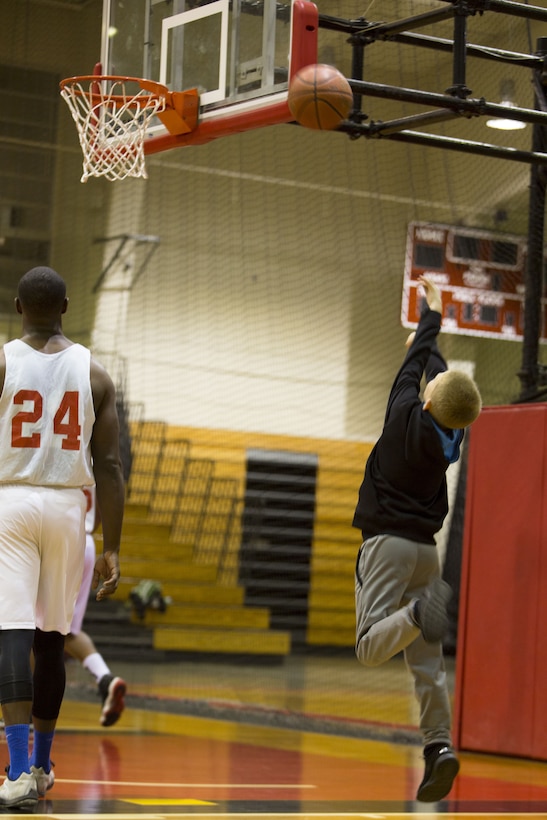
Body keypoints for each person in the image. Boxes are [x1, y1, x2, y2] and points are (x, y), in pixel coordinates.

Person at [352, 275, 482, 804]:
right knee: (427, 662)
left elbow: (418, 370)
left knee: (369, 647)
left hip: (387, 546)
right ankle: (439, 748)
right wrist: (431, 347)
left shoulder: (404, 414)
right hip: (427, 551)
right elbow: (446, 386)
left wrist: (429, 316)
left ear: (424, 399)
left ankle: (415, 613)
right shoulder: (454, 432)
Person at [0, 266, 125, 809]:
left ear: (18, 305)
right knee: (51, 639)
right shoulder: (95, 374)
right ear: (67, 307)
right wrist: (113, 546)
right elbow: (113, 466)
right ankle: (44, 765)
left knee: (11, 633)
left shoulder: (3, 359)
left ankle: (20, 768)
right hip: (70, 508)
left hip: (11, 501)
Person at [65, 486, 127, 727]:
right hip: (87, 543)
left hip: (58, 540)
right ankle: (105, 679)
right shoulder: (97, 462)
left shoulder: (63, 456)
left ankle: (24, 709)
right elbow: (103, 506)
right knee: (67, 630)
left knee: (34, 624)